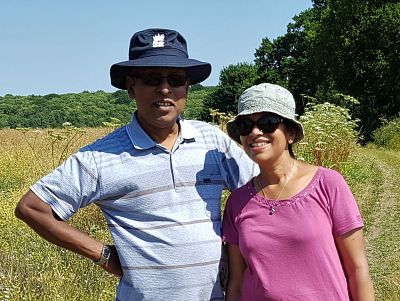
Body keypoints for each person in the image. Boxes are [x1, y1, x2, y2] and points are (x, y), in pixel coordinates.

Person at [15, 28, 257, 301]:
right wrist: (102, 254)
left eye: (176, 79)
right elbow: (32, 208)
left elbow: (259, 192)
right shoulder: (101, 157)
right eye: (152, 78)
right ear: (131, 87)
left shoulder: (212, 141)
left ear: (187, 87)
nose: (165, 89)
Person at [222, 83, 375, 300]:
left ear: (291, 133)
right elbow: (236, 284)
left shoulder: (328, 185)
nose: (255, 132)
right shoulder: (237, 202)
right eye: (245, 125)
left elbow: (358, 270)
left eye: (267, 123)